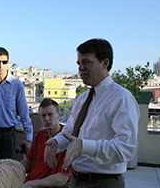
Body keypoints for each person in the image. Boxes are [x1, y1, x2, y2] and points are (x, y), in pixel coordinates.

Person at [44, 38, 140, 188]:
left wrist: (84, 146)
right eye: (79, 63)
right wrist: (56, 142)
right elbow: (70, 131)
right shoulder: (82, 99)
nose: (80, 68)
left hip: (103, 182)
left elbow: (126, 148)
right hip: (75, 179)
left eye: (87, 62)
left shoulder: (122, 98)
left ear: (105, 63)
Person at [21, 98, 71, 188]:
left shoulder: (66, 138)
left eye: (50, 114)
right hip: (28, 183)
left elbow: (63, 177)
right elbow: (28, 162)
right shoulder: (41, 134)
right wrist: (10, 169)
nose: (47, 119)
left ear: (58, 115)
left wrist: (33, 184)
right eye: (43, 115)